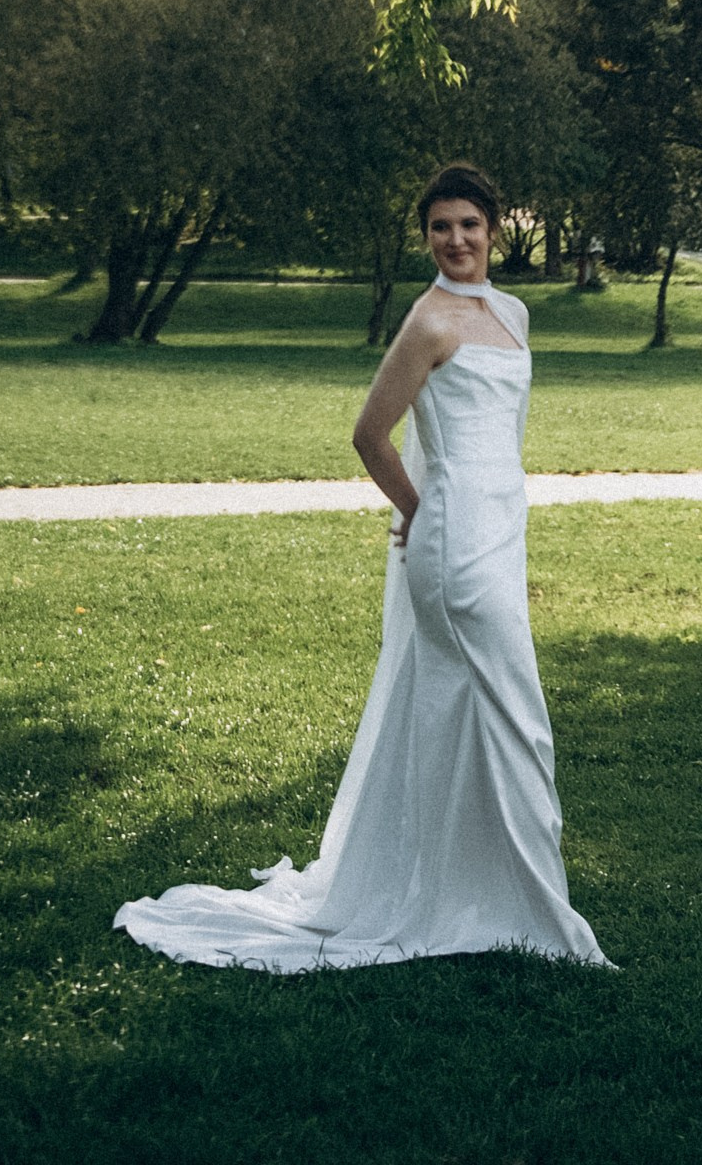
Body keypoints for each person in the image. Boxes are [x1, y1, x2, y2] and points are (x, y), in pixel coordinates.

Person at [114, 163, 609, 970]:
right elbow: (370, 435)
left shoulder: (512, 314)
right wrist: (420, 512)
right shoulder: (429, 322)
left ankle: (465, 888)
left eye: (469, 226)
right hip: (451, 549)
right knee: (520, 724)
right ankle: (533, 913)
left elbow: (503, 436)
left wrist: (500, 517)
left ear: (494, 233)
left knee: (462, 724)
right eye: (440, 228)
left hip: (501, 533)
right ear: (425, 239)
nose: (456, 240)